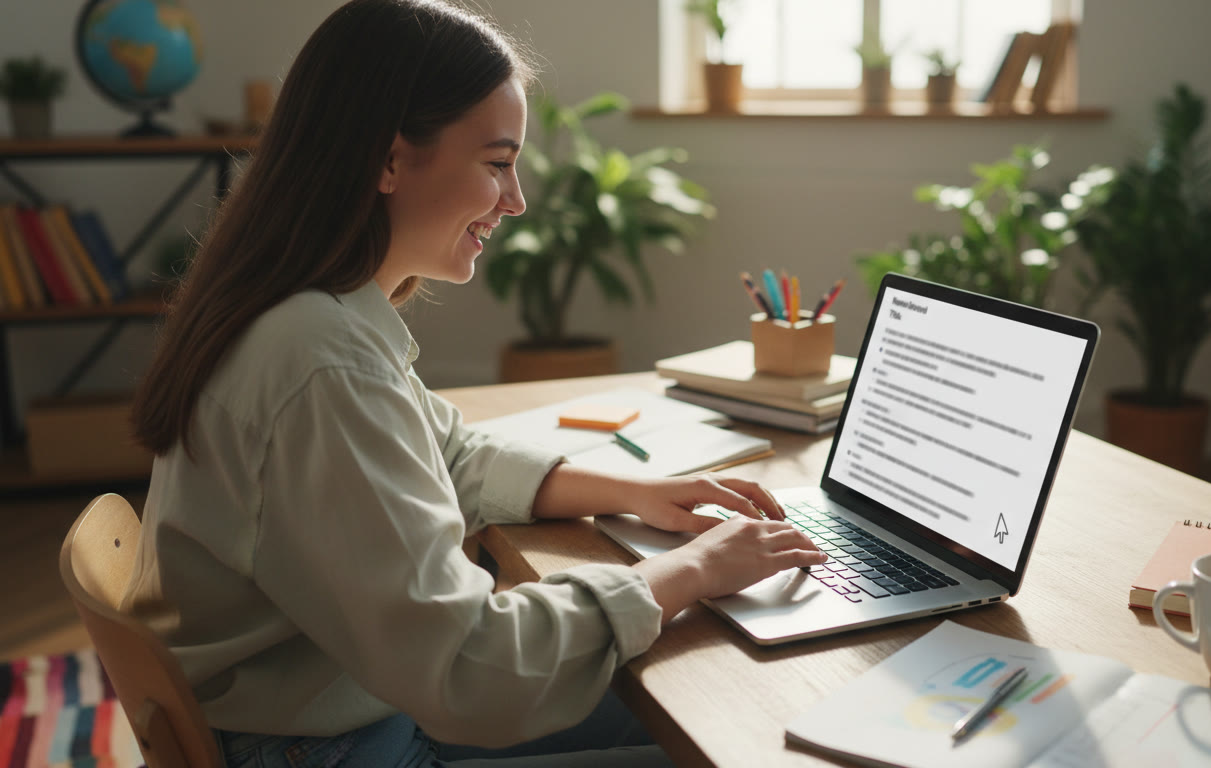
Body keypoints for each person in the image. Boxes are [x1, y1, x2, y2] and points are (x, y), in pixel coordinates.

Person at [123, 1, 827, 765]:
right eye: (497, 163)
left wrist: (633, 494)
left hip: (335, 714)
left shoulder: (307, 316)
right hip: (338, 745)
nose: (517, 199)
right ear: (388, 161)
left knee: (697, 695)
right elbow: (469, 666)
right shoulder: (321, 362)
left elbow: (444, 453)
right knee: (735, 738)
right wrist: (693, 568)